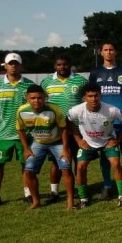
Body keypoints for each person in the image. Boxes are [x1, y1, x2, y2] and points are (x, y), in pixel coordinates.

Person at [68, 82, 122, 208]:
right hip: (88, 143)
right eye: (90, 96)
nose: (93, 99)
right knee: (80, 167)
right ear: (84, 98)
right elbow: (68, 122)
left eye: (96, 95)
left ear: (100, 96)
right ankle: (83, 199)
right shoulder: (77, 110)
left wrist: (118, 139)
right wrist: (79, 140)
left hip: (107, 141)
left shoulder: (111, 109)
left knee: (116, 163)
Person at [89, 42, 122, 200]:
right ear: (100, 53)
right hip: (103, 122)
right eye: (105, 50)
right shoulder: (95, 73)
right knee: (106, 157)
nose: (109, 52)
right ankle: (108, 186)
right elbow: (92, 96)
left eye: (111, 49)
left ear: (116, 52)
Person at [16, 85, 74, 209]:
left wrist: (65, 148)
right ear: (27, 98)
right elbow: (20, 129)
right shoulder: (22, 110)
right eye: (33, 98)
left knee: (66, 167)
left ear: (44, 98)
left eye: (39, 98)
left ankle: (70, 201)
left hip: (57, 142)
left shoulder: (54, 109)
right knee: (29, 171)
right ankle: (36, 201)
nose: (36, 101)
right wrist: (26, 149)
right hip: (38, 143)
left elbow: (63, 128)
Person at [41, 54, 88, 200]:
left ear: (70, 65)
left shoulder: (81, 80)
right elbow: (41, 102)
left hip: (77, 129)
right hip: (55, 129)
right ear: (55, 66)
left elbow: (88, 99)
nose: (62, 67)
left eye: (65, 64)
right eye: (59, 65)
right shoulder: (47, 82)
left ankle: (78, 189)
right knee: (56, 161)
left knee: (78, 159)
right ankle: (54, 191)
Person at [0, 53, 35, 205]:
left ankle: (28, 193)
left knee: (26, 165)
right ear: (5, 66)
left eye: (16, 63)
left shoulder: (29, 85)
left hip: (25, 134)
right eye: (10, 63)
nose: (13, 66)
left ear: (21, 66)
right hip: (1, 133)